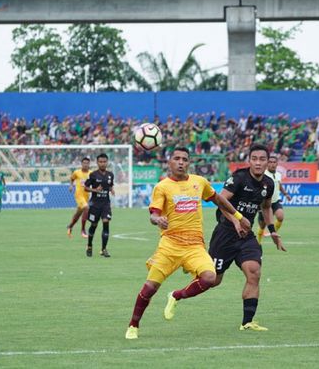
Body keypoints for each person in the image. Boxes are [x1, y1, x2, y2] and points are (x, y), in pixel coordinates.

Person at [125, 147, 251, 340]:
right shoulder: (162, 187)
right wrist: (157, 220)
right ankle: (133, 325)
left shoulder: (199, 182)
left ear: (189, 163)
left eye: (185, 159)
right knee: (150, 287)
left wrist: (238, 217)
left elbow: (219, 200)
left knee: (210, 278)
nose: (181, 162)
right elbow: (153, 214)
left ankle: (176, 295)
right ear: (170, 163)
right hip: (170, 245)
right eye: (177, 158)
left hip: (194, 246)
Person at [210, 144, 286, 332]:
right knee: (212, 280)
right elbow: (220, 202)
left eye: (262, 159)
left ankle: (247, 322)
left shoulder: (269, 184)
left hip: (245, 236)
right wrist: (236, 220)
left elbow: (266, 207)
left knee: (254, 271)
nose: (258, 163)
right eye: (255, 159)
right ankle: (177, 294)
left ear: (268, 162)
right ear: (249, 160)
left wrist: (272, 230)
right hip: (225, 234)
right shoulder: (238, 178)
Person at [82, 153, 114, 257]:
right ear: (97, 163)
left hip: (105, 204)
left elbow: (109, 185)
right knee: (94, 225)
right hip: (95, 204)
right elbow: (85, 188)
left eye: (104, 162)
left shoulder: (110, 175)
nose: (102, 164)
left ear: (107, 162)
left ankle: (103, 249)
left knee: (106, 223)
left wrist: (111, 189)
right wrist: (95, 190)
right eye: (100, 162)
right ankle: (89, 245)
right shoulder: (93, 175)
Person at [256, 154, 292, 239]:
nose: (272, 164)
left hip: (275, 201)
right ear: (267, 164)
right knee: (262, 225)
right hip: (264, 203)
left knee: (280, 217)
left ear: (277, 164)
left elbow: (279, 185)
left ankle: (273, 232)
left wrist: (286, 194)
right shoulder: (263, 174)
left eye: (274, 162)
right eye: (270, 162)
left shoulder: (278, 174)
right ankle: (258, 241)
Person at [67, 156, 91, 238]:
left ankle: (70, 226)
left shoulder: (91, 174)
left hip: (86, 196)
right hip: (79, 195)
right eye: (84, 163)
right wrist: (71, 185)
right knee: (86, 208)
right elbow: (71, 178)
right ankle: (83, 230)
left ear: (89, 164)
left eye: (87, 163)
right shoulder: (77, 172)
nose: (85, 164)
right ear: (81, 164)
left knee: (78, 213)